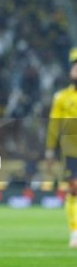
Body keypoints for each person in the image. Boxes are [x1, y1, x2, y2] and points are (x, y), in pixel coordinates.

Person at [45, 47, 77, 248]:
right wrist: (50, 150)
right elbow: (53, 125)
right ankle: (75, 232)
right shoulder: (61, 97)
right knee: (74, 190)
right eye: (75, 65)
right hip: (72, 151)